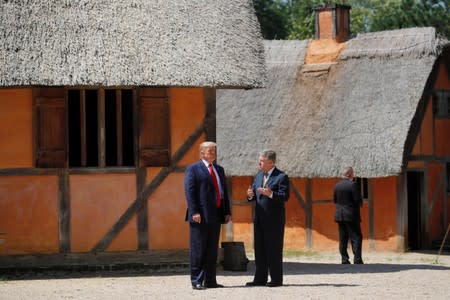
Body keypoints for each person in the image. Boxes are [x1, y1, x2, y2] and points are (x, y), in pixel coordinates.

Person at [184, 141, 232, 290]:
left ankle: (211, 281)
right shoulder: (193, 169)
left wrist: (227, 211)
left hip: (216, 215)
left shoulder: (219, 169)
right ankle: (197, 280)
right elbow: (189, 192)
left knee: (212, 250)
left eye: (214, 151)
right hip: (200, 216)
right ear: (202, 153)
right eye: (210, 151)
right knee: (198, 250)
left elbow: (223, 192)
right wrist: (194, 211)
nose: (213, 154)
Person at [245, 150, 289, 287]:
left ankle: (276, 279)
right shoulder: (258, 176)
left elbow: (285, 196)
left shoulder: (281, 176)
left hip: (274, 221)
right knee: (260, 249)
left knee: (274, 250)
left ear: (271, 162)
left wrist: (271, 194)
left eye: (262, 161)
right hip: (259, 219)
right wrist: (250, 195)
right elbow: (253, 195)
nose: (259, 163)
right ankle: (260, 279)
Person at [333, 166, 364, 264]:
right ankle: (357, 259)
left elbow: (335, 200)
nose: (353, 174)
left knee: (343, 238)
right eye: (353, 173)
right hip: (351, 215)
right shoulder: (353, 185)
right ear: (350, 174)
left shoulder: (337, 185)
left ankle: (344, 259)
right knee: (356, 237)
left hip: (339, 215)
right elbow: (357, 200)